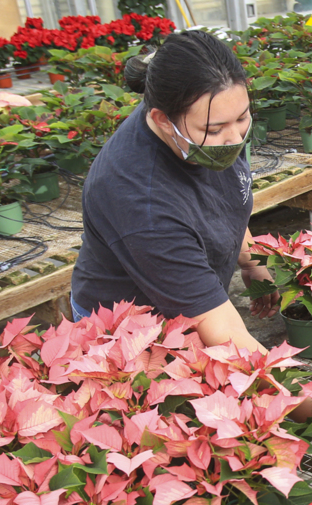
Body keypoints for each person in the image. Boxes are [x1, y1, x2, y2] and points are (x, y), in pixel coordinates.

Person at [70, 30, 278, 352]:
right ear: (163, 120)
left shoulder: (200, 121)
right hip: (127, 333)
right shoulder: (141, 200)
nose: (235, 138)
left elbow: (225, 199)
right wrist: (298, 386)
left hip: (184, 302)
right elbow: (222, 329)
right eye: (214, 129)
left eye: (242, 117)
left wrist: (251, 262)